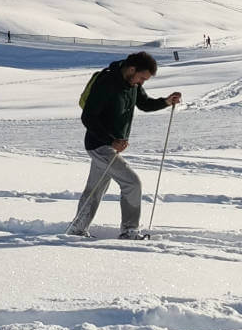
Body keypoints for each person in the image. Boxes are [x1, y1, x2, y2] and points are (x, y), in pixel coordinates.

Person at [69, 51, 181, 240]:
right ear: (131, 69)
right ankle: (130, 231)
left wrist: (166, 101)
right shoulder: (106, 82)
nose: (141, 83)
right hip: (99, 144)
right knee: (132, 183)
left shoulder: (132, 83)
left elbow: (144, 104)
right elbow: (88, 117)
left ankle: (77, 229)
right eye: (141, 78)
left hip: (110, 146)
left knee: (95, 189)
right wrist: (111, 140)